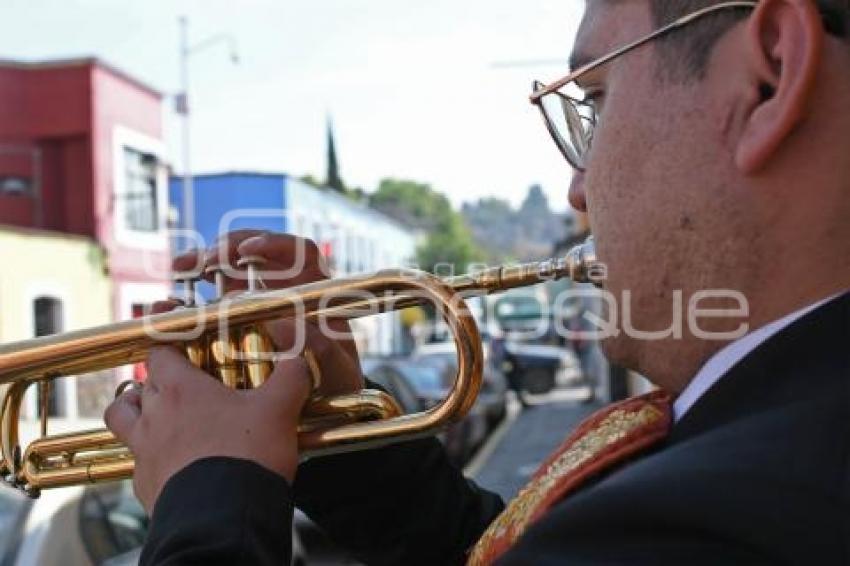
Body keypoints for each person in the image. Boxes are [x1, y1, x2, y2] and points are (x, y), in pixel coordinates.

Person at [105, 0, 850, 564]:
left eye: (595, 102)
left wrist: (210, 495)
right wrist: (331, 433)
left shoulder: (714, 516)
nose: (577, 190)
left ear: (767, 76)